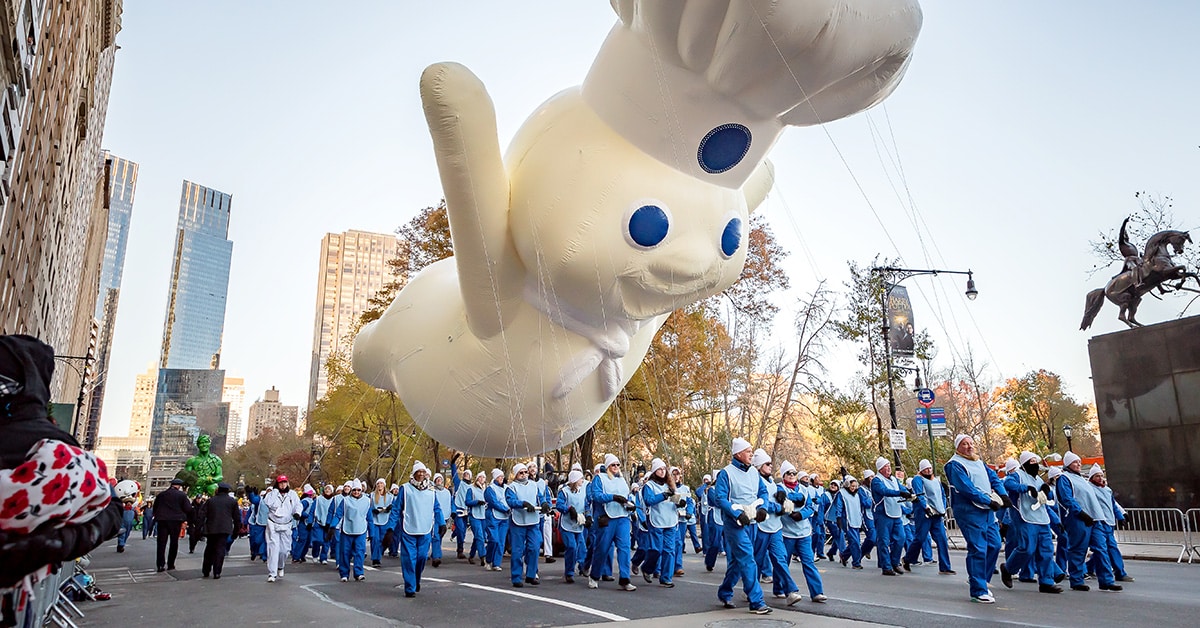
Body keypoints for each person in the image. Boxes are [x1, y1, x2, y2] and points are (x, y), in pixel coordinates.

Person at [945, 434, 1009, 603]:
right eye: (965, 444)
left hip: (987, 510)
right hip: (969, 511)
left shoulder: (978, 461)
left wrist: (1002, 494)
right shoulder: (954, 465)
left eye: (971, 443)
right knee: (978, 548)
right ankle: (978, 590)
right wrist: (988, 500)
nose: (969, 446)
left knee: (994, 544)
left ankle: (981, 579)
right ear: (958, 447)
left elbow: (993, 477)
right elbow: (966, 488)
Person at [711, 438, 772, 614]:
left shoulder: (754, 472)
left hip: (752, 521)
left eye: (751, 451)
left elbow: (763, 492)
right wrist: (737, 514)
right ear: (738, 454)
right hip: (734, 524)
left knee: (738, 562)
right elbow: (720, 498)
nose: (751, 454)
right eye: (748, 451)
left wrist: (763, 508)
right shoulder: (726, 473)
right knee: (747, 559)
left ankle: (724, 592)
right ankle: (756, 601)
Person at [999, 452, 1062, 594]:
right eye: (1031, 461)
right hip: (1025, 517)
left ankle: (1046, 581)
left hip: (1042, 518)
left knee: (1046, 550)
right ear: (1024, 463)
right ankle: (1008, 568)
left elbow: (1049, 496)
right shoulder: (1018, 475)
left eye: (1035, 461)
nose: (1034, 464)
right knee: (1027, 548)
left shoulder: (1038, 479)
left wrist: (1047, 490)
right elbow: (1008, 483)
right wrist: (1026, 488)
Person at [1056, 454, 1120, 592]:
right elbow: (1067, 499)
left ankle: (1107, 580)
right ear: (1068, 464)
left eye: (1079, 462)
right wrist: (1080, 512)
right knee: (1078, 549)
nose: (1078, 464)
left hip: (1096, 519)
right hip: (1078, 519)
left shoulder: (1082, 479)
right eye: (1075, 462)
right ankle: (1077, 580)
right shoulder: (1064, 478)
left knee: (1101, 549)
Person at [752, 450, 804, 606]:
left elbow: (784, 496)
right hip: (761, 526)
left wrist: (784, 500)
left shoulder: (772, 483)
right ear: (759, 466)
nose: (770, 466)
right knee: (757, 561)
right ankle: (752, 590)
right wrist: (777, 508)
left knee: (780, 559)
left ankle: (790, 591)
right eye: (767, 464)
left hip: (776, 528)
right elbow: (761, 502)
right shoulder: (755, 481)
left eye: (770, 463)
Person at [391, 461, 445, 597]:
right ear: (413, 474)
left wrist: (442, 523)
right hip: (409, 528)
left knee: (421, 557)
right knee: (409, 559)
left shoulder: (431, 490)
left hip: (425, 529)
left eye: (423, 471)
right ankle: (410, 587)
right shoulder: (405, 488)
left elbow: (436, 508)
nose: (421, 474)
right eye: (418, 472)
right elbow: (396, 509)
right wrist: (390, 528)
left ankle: (416, 579)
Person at [586, 453, 638, 591]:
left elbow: (627, 497)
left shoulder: (621, 480)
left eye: (617, 465)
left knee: (624, 548)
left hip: (622, 517)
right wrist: (613, 497)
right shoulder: (600, 478)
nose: (615, 467)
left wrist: (631, 505)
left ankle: (625, 578)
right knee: (602, 548)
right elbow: (596, 496)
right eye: (612, 465)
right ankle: (595, 575)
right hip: (606, 518)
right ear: (607, 466)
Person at [778, 461, 824, 602]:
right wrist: (793, 506)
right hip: (787, 532)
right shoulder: (779, 488)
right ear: (783, 475)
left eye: (794, 473)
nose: (792, 476)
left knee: (808, 561)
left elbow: (810, 506)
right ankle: (779, 588)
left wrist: (801, 514)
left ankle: (817, 592)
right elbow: (781, 501)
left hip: (804, 532)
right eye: (788, 473)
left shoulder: (804, 489)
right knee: (783, 563)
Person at [905, 459, 954, 574]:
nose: (928, 470)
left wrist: (943, 508)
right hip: (924, 514)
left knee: (942, 540)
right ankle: (908, 559)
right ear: (921, 470)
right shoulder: (918, 479)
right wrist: (926, 507)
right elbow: (920, 494)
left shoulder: (936, 481)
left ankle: (945, 567)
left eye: (929, 468)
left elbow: (942, 494)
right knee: (920, 538)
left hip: (937, 514)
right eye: (925, 468)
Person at [638, 458, 680, 587]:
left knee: (669, 550)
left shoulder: (670, 485)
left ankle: (666, 577)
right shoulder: (649, 486)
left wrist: (680, 503)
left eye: (664, 469)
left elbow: (674, 499)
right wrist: (663, 495)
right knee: (656, 549)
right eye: (659, 469)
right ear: (654, 471)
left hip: (670, 519)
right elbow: (649, 500)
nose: (662, 472)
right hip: (656, 519)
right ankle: (647, 568)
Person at [505, 462, 547, 587]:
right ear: (516, 474)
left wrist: (544, 504)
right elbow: (511, 501)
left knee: (535, 547)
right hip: (518, 521)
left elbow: (540, 497)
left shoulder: (534, 485)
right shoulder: (511, 487)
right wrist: (522, 504)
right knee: (517, 550)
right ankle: (516, 577)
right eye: (521, 473)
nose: (524, 475)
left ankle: (531, 574)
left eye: (525, 472)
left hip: (533, 520)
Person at [1087, 467, 1132, 582]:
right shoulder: (1089, 489)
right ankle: (1120, 572)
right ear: (1092, 477)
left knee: (1103, 548)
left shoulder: (1107, 490)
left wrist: (1120, 517)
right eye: (1097, 476)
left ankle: (1089, 567)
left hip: (1109, 523)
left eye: (1101, 475)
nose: (1100, 478)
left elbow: (1113, 505)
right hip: (1098, 523)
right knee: (1108, 548)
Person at [870, 457, 912, 576]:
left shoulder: (894, 479)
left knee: (900, 538)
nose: (888, 468)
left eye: (889, 465)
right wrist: (900, 493)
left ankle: (895, 562)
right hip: (883, 514)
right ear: (880, 469)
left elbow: (901, 488)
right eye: (885, 466)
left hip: (896, 513)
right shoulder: (877, 480)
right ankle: (886, 566)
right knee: (884, 541)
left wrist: (910, 494)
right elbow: (884, 491)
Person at [262, 475, 303, 582]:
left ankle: (281, 566)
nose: (283, 485)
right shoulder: (272, 494)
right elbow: (267, 503)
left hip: (286, 524)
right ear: (277, 484)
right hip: (273, 524)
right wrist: (274, 491)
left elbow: (298, 505)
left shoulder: (292, 494)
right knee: (273, 549)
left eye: (284, 482)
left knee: (285, 550)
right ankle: (272, 573)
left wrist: (297, 513)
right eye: (280, 483)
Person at [331, 479, 370, 582]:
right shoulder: (346, 501)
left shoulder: (367, 501)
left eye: (358, 490)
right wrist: (332, 526)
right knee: (345, 552)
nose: (356, 492)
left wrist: (372, 533)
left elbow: (369, 517)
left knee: (360, 552)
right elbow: (338, 514)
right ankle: (344, 573)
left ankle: (359, 572)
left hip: (361, 530)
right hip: (347, 530)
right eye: (354, 490)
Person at [202, 483, 241, 579]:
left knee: (209, 549)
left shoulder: (211, 501)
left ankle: (206, 570)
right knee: (220, 550)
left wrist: (200, 529)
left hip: (211, 528)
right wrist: (236, 531)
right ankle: (217, 571)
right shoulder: (232, 502)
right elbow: (237, 518)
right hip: (225, 528)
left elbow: (202, 515)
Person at [557, 469, 588, 583]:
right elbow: (559, 505)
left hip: (578, 523)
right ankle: (569, 572)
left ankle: (583, 566)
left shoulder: (582, 492)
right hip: (566, 524)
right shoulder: (564, 492)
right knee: (571, 546)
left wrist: (588, 516)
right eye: (580, 478)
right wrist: (568, 509)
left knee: (582, 547)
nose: (582, 480)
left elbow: (586, 505)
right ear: (575, 480)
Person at [485, 468, 511, 572]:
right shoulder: (490, 489)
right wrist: (505, 509)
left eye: (502, 476)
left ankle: (496, 563)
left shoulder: (507, 488)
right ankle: (488, 559)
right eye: (499, 477)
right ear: (495, 478)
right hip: (493, 517)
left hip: (505, 518)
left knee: (501, 542)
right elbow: (493, 502)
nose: (501, 478)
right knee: (493, 540)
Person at [465, 471, 489, 565]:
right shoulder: (471, 488)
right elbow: (467, 502)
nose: (482, 479)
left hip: (483, 515)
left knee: (479, 537)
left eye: (483, 477)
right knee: (479, 536)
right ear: (477, 478)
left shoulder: (486, 489)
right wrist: (476, 502)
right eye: (480, 477)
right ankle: (483, 556)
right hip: (474, 515)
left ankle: (471, 555)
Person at [368, 478, 393, 567]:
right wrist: (373, 510)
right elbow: (368, 506)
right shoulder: (372, 495)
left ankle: (379, 554)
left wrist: (389, 508)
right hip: (375, 520)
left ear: (384, 485)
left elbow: (393, 506)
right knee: (375, 539)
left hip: (385, 519)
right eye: (378, 484)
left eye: (381, 484)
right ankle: (375, 559)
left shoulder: (390, 496)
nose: (380, 485)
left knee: (383, 540)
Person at [430, 473, 453, 567]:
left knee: (440, 536)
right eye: (437, 479)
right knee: (435, 536)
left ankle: (435, 553)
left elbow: (451, 502)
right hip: (434, 517)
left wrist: (453, 512)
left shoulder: (447, 492)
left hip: (445, 517)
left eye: (440, 479)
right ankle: (436, 557)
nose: (439, 481)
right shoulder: (432, 491)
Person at [311, 484, 335, 564]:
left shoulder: (334, 500)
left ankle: (323, 558)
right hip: (319, 522)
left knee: (327, 541)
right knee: (317, 540)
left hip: (329, 523)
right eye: (326, 489)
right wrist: (310, 522)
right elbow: (312, 510)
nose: (327, 490)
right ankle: (315, 554)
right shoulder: (318, 499)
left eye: (329, 489)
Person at [247, 487, 268, 562]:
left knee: (267, 541)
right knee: (257, 541)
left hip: (270, 524)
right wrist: (250, 493)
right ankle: (254, 551)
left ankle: (264, 555)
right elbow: (253, 500)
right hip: (259, 523)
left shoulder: (275, 501)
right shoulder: (260, 500)